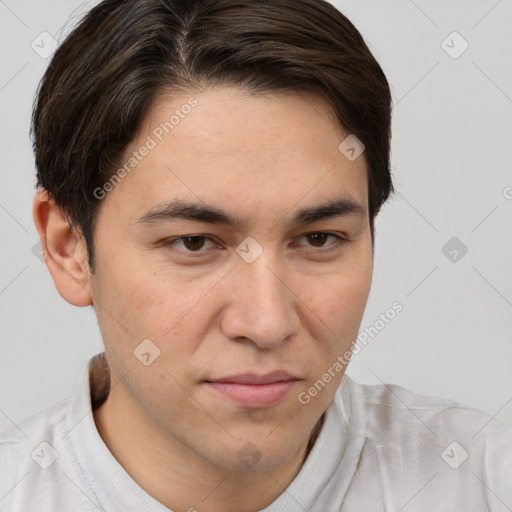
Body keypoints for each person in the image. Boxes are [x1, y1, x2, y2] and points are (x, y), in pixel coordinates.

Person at [1, 0, 510, 510]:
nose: (267, 323)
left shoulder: (484, 478)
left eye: (319, 239)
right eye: (194, 243)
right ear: (68, 249)